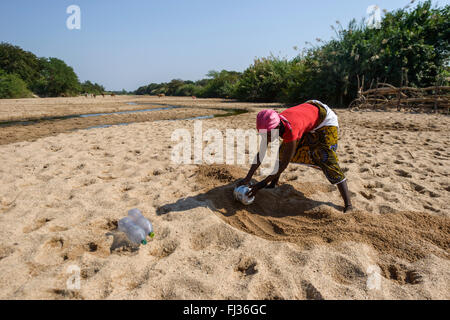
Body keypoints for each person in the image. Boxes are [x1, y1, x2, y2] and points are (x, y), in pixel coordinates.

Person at [239, 100, 353, 213]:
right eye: (264, 134)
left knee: (327, 159)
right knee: (282, 152)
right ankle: (273, 184)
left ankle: (348, 204)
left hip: (324, 119)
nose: (267, 138)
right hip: (307, 114)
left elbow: (284, 164)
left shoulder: (291, 130)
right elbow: (261, 153)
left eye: (269, 134)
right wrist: (248, 177)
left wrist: (261, 184)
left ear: (278, 127)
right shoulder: (270, 125)